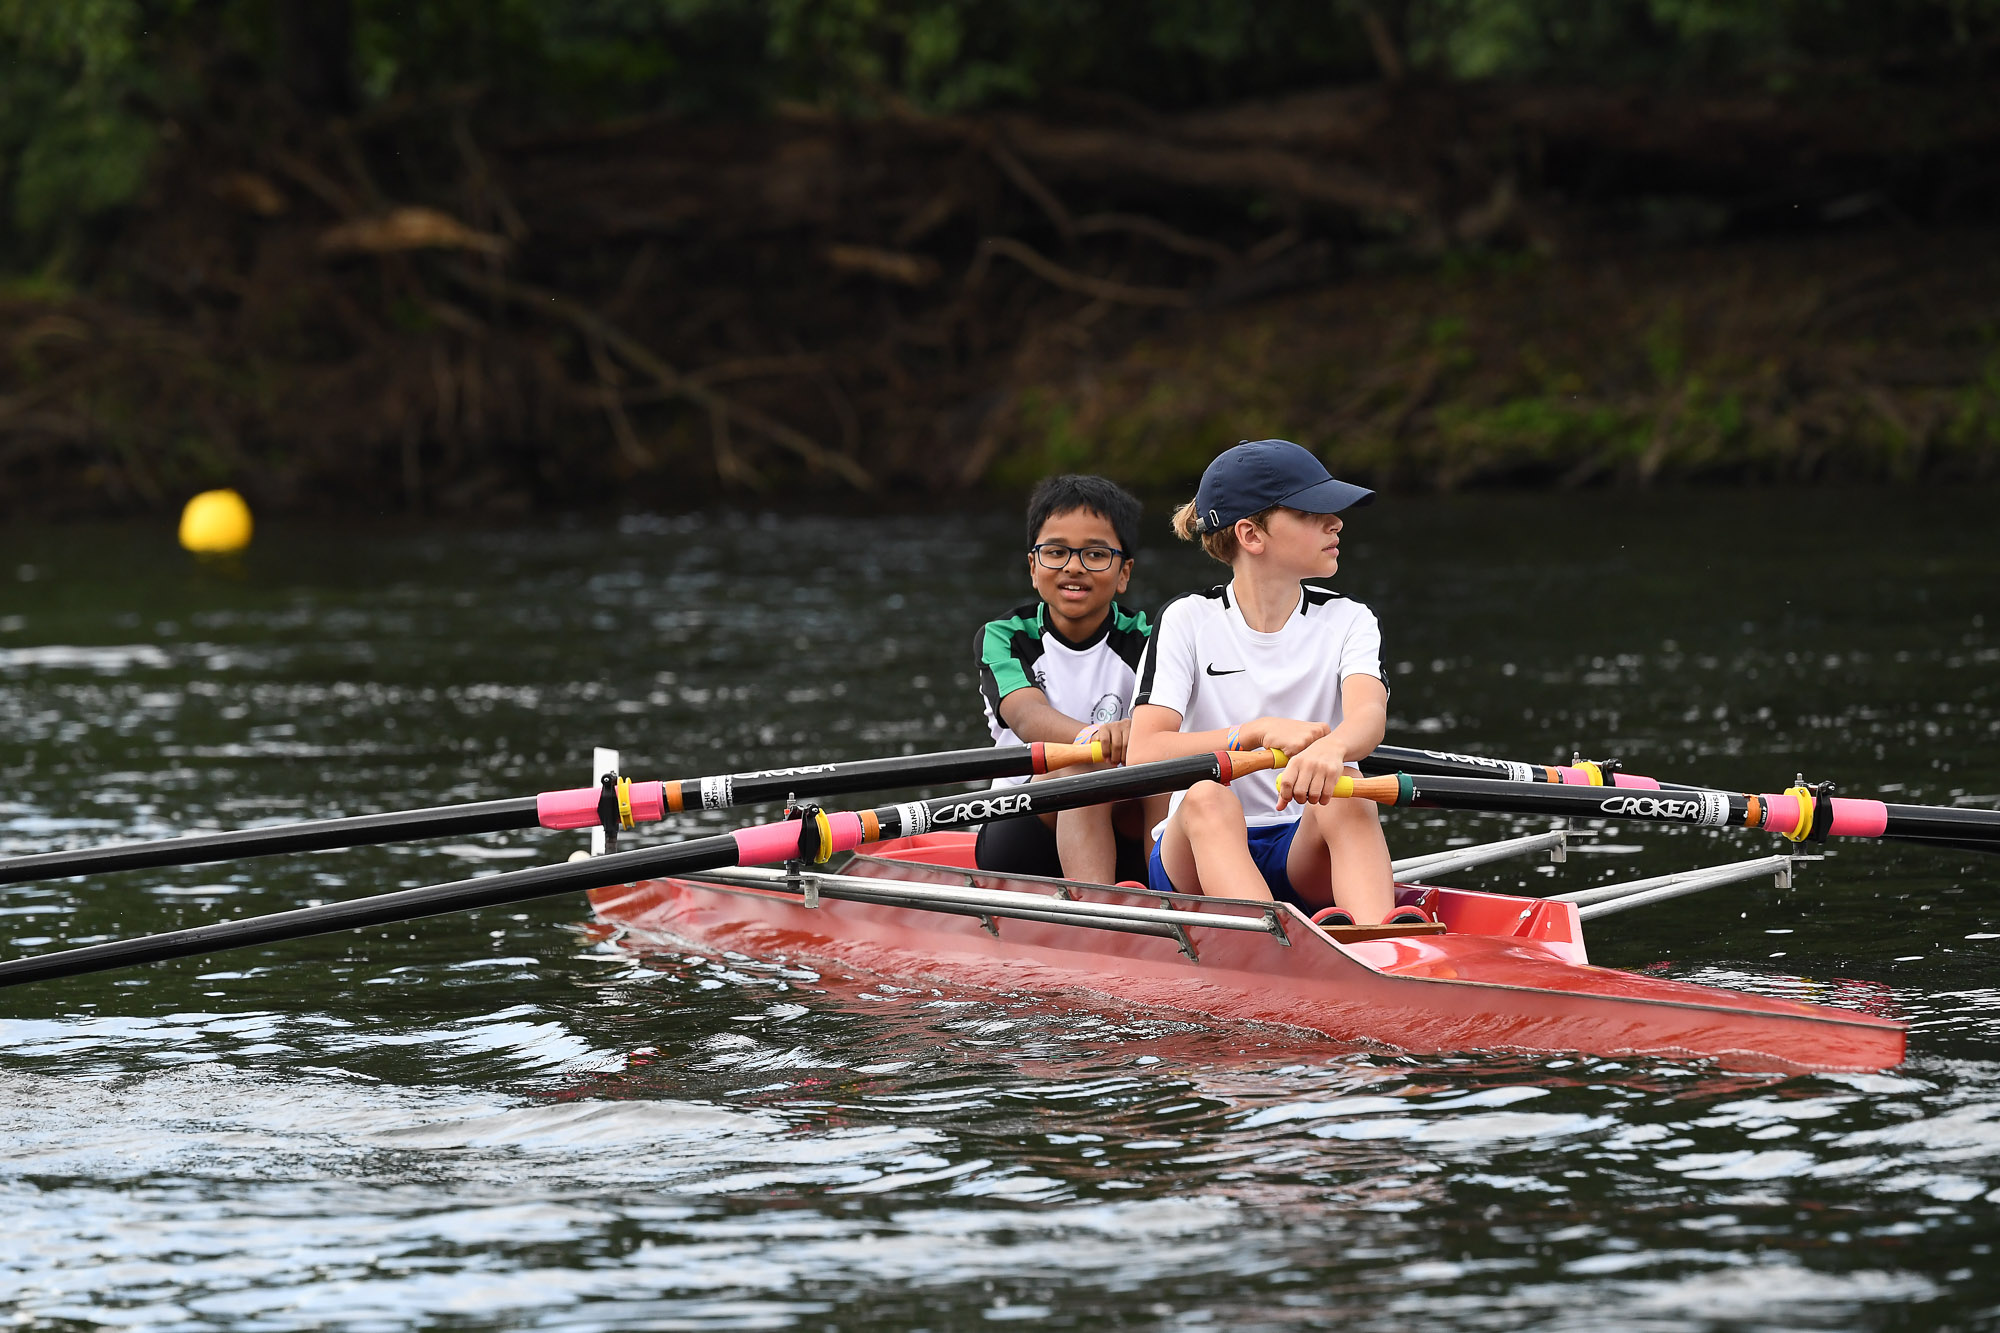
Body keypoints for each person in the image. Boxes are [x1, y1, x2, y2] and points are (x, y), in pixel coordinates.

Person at [1128, 439, 1416, 926]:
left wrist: (1333, 748)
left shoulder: (1350, 619)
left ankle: (1376, 948)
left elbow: (1368, 715)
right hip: (1195, 852)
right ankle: (1274, 943)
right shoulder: (1187, 620)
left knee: (1349, 784)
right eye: (1311, 512)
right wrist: (1253, 734)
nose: (1336, 522)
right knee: (1206, 797)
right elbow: (1144, 751)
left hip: (1299, 847)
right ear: (1251, 535)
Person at [974, 475, 1156, 884]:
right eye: (1056, 552)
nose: (1073, 566)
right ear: (1033, 567)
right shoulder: (1004, 636)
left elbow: (1165, 719)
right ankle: (1095, 914)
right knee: (1081, 770)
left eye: (1094, 554)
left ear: (1124, 572)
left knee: (1168, 778)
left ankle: (1180, 907)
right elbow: (1026, 717)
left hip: (1123, 824)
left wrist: (1141, 731)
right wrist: (1098, 739)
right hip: (1020, 829)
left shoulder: (1148, 638)